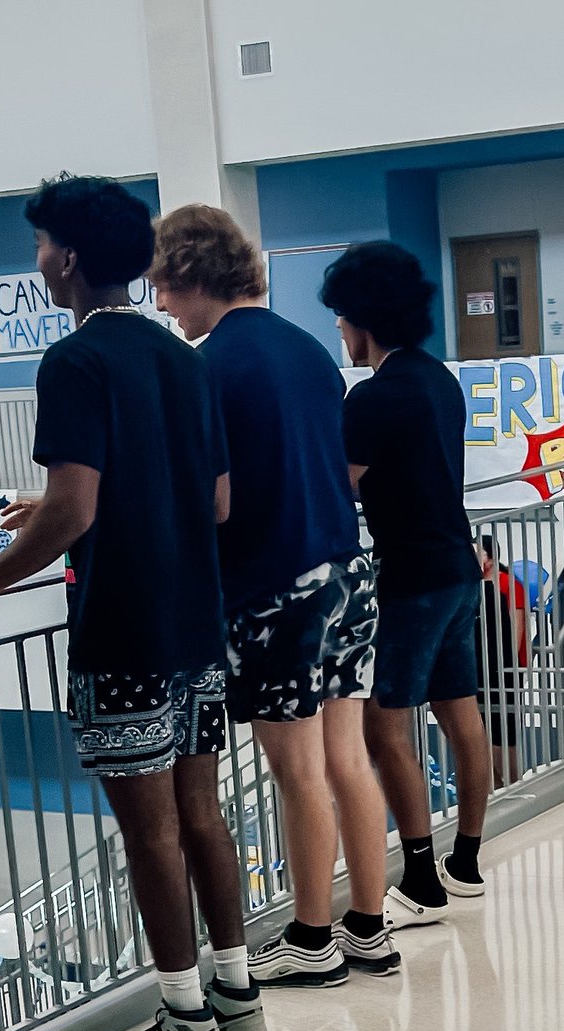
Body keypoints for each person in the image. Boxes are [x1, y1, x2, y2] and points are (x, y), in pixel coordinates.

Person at [0, 175, 264, 1031]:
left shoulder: (73, 362)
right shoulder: (184, 360)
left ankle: (183, 1025)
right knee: (202, 816)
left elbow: (73, 510)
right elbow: (219, 501)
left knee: (149, 832)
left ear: (68, 258)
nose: (36, 261)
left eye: (40, 246)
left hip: (123, 629)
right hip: (198, 624)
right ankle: (238, 1001)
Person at [149, 205, 400, 983]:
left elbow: (211, 499)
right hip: (345, 572)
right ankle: (368, 924)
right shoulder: (309, 352)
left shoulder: (207, 367)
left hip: (271, 587)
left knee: (297, 772)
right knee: (347, 758)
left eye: (165, 286)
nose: (162, 306)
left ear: (192, 276)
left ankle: (312, 937)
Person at [322, 242, 489, 928]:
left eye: (341, 319)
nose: (340, 332)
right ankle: (467, 860)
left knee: (384, 725)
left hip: (411, 579)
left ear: (364, 320)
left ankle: (420, 878)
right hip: (458, 566)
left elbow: (341, 488)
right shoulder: (437, 379)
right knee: (460, 713)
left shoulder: (374, 397)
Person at [477, 536, 527, 788]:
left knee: (503, 727)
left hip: (504, 665)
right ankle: (495, 782)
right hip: (482, 665)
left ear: (491, 558)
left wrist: (508, 664)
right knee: (483, 726)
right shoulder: (474, 586)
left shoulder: (508, 584)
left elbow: (517, 624)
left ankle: (513, 780)